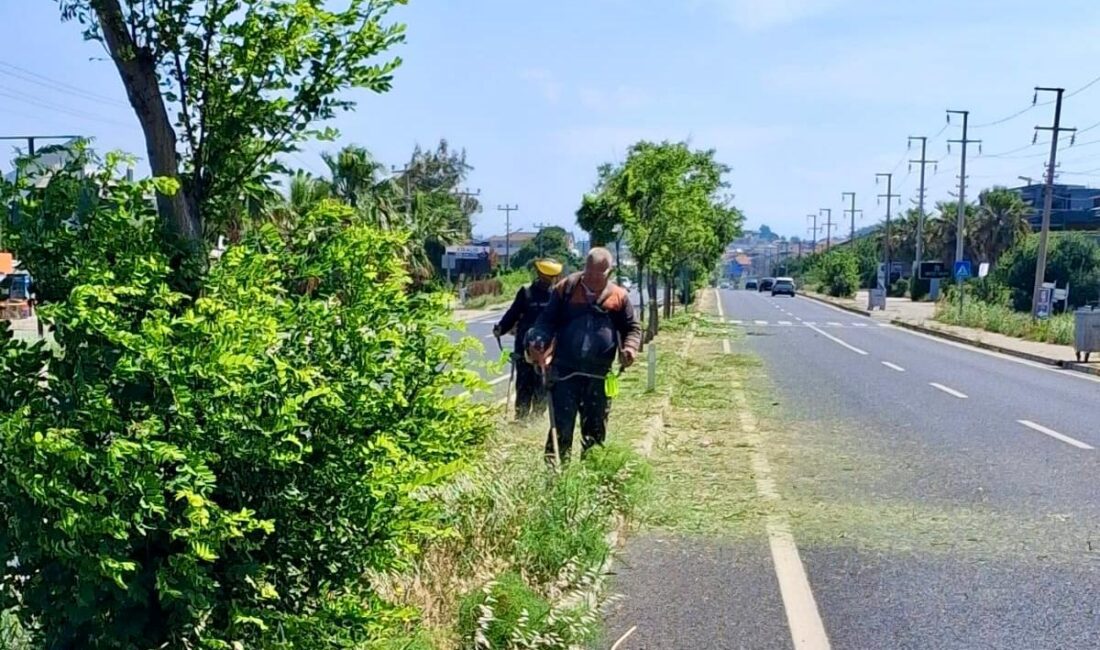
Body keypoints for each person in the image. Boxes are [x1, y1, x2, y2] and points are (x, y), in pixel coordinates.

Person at [527, 247, 642, 463]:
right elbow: (546, 321)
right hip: (564, 373)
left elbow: (632, 328)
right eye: (588, 273)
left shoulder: (618, 297)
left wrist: (630, 348)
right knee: (561, 428)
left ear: (609, 273)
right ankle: (555, 479)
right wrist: (538, 341)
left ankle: (591, 479)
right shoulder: (566, 289)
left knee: (595, 432)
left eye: (598, 276)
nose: (591, 279)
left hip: (599, 376)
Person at [493, 259, 563, 419]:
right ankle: (522, 417)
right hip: (525, 349)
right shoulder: (526, 293)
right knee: (525, 384)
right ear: (539, 274)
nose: (548, 281)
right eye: (547, 277)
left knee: (542, 384)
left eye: (551, 277)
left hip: (548, 351)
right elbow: (512, 314)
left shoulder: (557, 295)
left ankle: (536, 417)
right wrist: (501, 329)